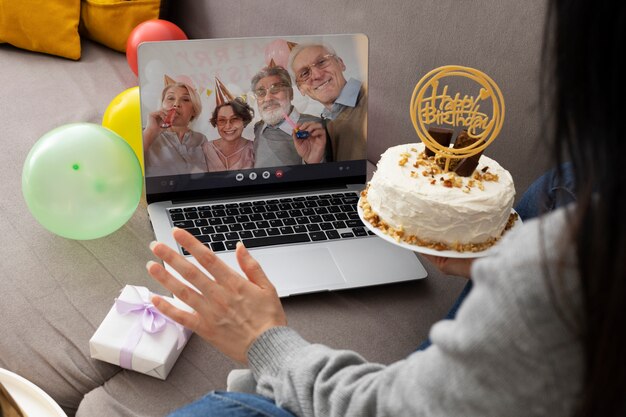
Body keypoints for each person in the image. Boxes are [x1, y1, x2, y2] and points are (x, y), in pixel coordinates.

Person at [145, 1, 626, 416]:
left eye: (283, 87)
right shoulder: (271, 131)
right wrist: (486, 253)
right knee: (563, 183)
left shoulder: (565, 266)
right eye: (299, 75)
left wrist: (262, 339)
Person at [289, 43, 367, 162]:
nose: (317, 75)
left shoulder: (373, 98)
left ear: (340, 63)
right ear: (301, 89)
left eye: (321, 62)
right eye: (304, 73)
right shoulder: (323, 126)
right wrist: (314, 163)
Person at [250, 65, 327, 167]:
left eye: (276, 89)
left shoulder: (317, 127)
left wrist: (313, 163)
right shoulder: (258, 128)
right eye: (260, 92)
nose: (267, 98)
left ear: (290, 93)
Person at [143, 76, 208, 177]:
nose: (176, 104)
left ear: (194, 111)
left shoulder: (201, 139)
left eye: (185, 99)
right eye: (170, 98)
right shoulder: (145, 133)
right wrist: (150, 132)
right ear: (162, 105)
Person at [203, 79, 255, 172]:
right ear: (216, 123)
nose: (228, 126)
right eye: (222, 120)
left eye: (234, 119)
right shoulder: (205, 149)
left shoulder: (254, 149)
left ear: (244, 120)